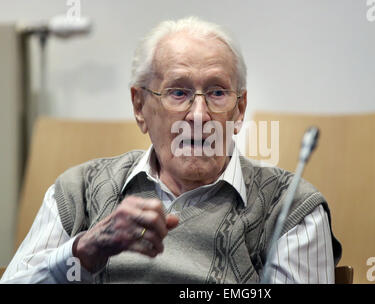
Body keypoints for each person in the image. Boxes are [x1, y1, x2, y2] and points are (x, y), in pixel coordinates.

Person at [1, 16, 341, 284]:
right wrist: (83, 252)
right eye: (178, 92)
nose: (198, 115)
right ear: (139, 106)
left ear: (239, 110)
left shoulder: (290, 207)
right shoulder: (78, 190)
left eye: (217, 92)